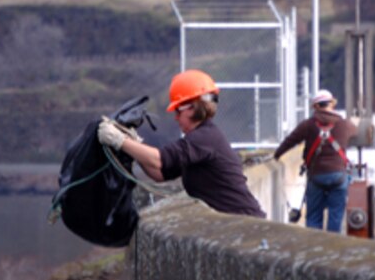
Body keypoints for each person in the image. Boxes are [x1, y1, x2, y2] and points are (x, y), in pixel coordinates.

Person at [97, 69, 265, 218]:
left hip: (246, 227)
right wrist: (134, 145)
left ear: (192, 107)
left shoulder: (204, 138)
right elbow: (160, 173)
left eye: (178, 110)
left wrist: (119, 140)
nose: (176, 117)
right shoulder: (205, 136)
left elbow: (159, 160)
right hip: (239, 225)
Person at [273, 89, 357, 233]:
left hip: (316, 175)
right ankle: (333, 246)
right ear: (332, 104)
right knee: (335, 217)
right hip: (338, 175)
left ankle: (314, 245)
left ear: (316, 107)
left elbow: (290, 141)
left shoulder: (308, 125)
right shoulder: (344, 124)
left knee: (313, 217)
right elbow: (359, 133)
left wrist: (276, 155)